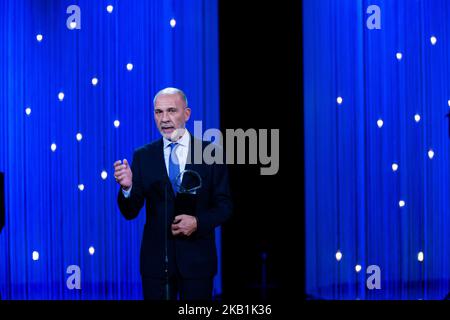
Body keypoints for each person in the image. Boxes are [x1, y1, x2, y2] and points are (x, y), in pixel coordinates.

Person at [114, 87, 232, 300]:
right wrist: (127, 188)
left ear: (186, 114)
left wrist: (197, 222)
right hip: (156, 265)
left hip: (197, 263)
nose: (164, 119)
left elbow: (224, 206)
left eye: (171, 111)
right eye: (158, 112)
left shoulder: (211, 153)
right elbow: (130, 211)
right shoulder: (143, 156)